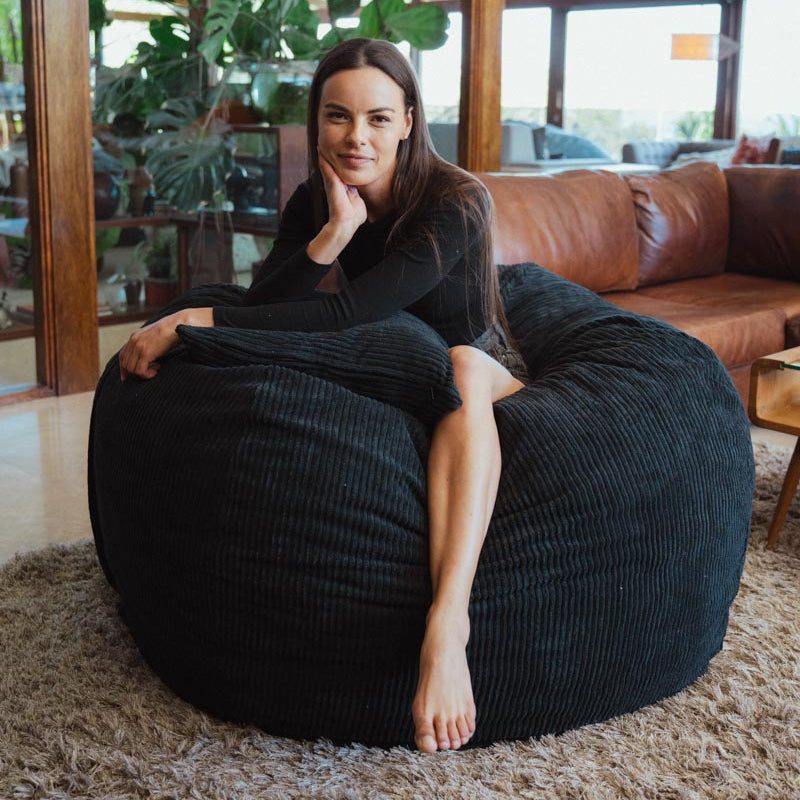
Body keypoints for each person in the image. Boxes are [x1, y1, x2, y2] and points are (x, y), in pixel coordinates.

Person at [118, 38, 525, 753]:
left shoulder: (457, 200)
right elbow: (267, 296)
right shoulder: (319, 196)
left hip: (485, 363)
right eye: (338, 117)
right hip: (393, 363)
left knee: (457, 366)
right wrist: (333, 234)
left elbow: (347, 315)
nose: (355, 136)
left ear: (408, 120)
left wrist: (196, 321)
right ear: (317, 123)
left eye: (376, 117)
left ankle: (448, 623)